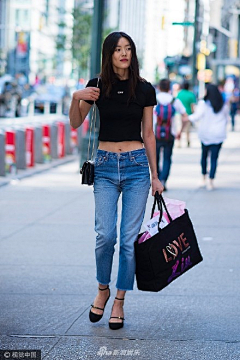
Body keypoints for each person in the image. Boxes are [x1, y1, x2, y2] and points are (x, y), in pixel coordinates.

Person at [69, 32, 163, 330]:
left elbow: (148, 134)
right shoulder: (96, 87)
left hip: (137, 169)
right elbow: (75, 122)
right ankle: (102, 289)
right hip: (106, 167)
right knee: (104, 236)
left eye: (129, 49)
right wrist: (76, 97)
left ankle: (119, 300)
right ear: (108, 55)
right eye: (118, 49)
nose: (124, 54)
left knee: (127, 241)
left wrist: (156, 176)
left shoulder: (145, 89)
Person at [187, 84, 229, 190]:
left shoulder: (203, 104)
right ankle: (211, 181)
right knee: (214, 158)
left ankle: (203, 178)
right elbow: (226, 119)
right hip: (218, 135)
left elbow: (197, 116)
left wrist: (187, 118)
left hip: (205, 134)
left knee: (204, 156)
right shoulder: (223, 105)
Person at [155, 78, 187, 191]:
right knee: (167, 158)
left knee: (155, 158)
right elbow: (185, 117)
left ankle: (157, 179)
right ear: (169, 88)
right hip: (170, 133)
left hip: (155, 134)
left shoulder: (154, 99)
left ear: (159, 87)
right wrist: (180, 131)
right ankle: (164, 180)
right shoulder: (174, 100)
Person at [177, 81, 196, 147]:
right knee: (187, 129)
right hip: (188, 114)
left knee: (180, 128)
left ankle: (179, 143)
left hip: (179, 114)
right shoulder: (191, 94)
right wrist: (194, 114)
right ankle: (188, 141)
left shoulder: (179, 94)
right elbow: (192, 106)